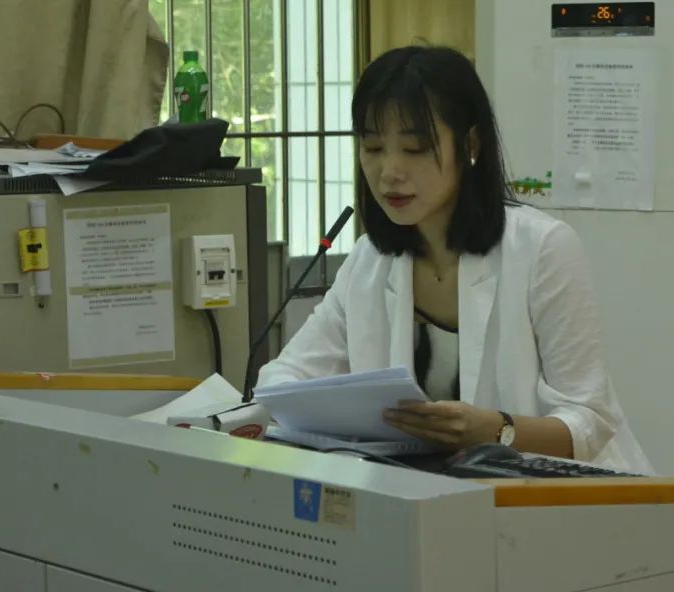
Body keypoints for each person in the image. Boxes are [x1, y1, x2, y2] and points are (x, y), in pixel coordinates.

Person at [256, 45, 652, 473]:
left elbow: (591, 422)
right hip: (429, 495)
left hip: (563, 496)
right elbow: (281, 382)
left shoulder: (543, 248)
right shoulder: (368, 261)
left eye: (414, 148)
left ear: (471, 145)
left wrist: (497, 430)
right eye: (372, 147)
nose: (389, 171)